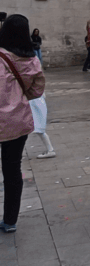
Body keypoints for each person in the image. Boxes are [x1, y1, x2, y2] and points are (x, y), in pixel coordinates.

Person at [0, 15, 45, 231]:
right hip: (18, 122)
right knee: (12, 170)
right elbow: (37, 91)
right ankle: (10, 220)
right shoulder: (32, 60)